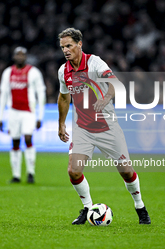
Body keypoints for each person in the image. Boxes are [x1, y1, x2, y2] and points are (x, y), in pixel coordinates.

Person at [57, 28, 151, 225]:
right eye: (62, 47)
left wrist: (106, 98)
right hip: (82, 128)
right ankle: (87, 208)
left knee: (126, 171)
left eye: (69, 45)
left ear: (79, 44)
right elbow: (64, 97)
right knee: (73, 170)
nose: (65, 50)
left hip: (107, 126)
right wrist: (61, 124)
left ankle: (140, 206)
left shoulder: (95, 63)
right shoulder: (63, 71)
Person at [0, 46, 46, 184]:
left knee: (28, 138)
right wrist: (1, 117)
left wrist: (40, 116)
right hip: (13, 112)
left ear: (26, 57)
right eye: (17, 55)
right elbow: (3, 95)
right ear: (14, 57)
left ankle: (30, 173)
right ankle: (16, 175)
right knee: (15, 141)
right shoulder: (8, 73)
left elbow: (41, 94)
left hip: (28, 112)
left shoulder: (34, 72)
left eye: (22, 55)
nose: (19, 57)